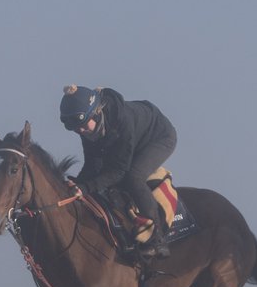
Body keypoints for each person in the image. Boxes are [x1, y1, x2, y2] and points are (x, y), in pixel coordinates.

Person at [59, 85, 177, 260]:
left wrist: (86, 187)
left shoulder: (123, 121)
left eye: (83, 126)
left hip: (159, 136)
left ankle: (157, 240)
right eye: (76, 129)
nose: (80, 131)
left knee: (133, 177)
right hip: (136, 137)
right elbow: (93, 165)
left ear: (97, 113)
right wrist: (78, 185)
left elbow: (119, 171)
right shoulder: (88, 129)